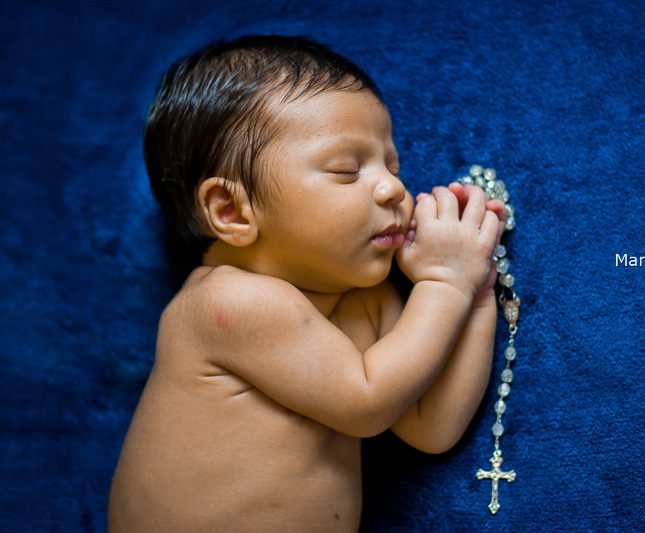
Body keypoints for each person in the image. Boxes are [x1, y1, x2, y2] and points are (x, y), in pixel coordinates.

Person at [108, 35, 506, 532]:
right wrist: (445, 282)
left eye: (392, 164)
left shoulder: (365, 303)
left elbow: (432, 426)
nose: (394, 188)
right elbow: (368, 405)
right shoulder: (226, 303)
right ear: (231, 211)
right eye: (347, 169)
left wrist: (474, 295)